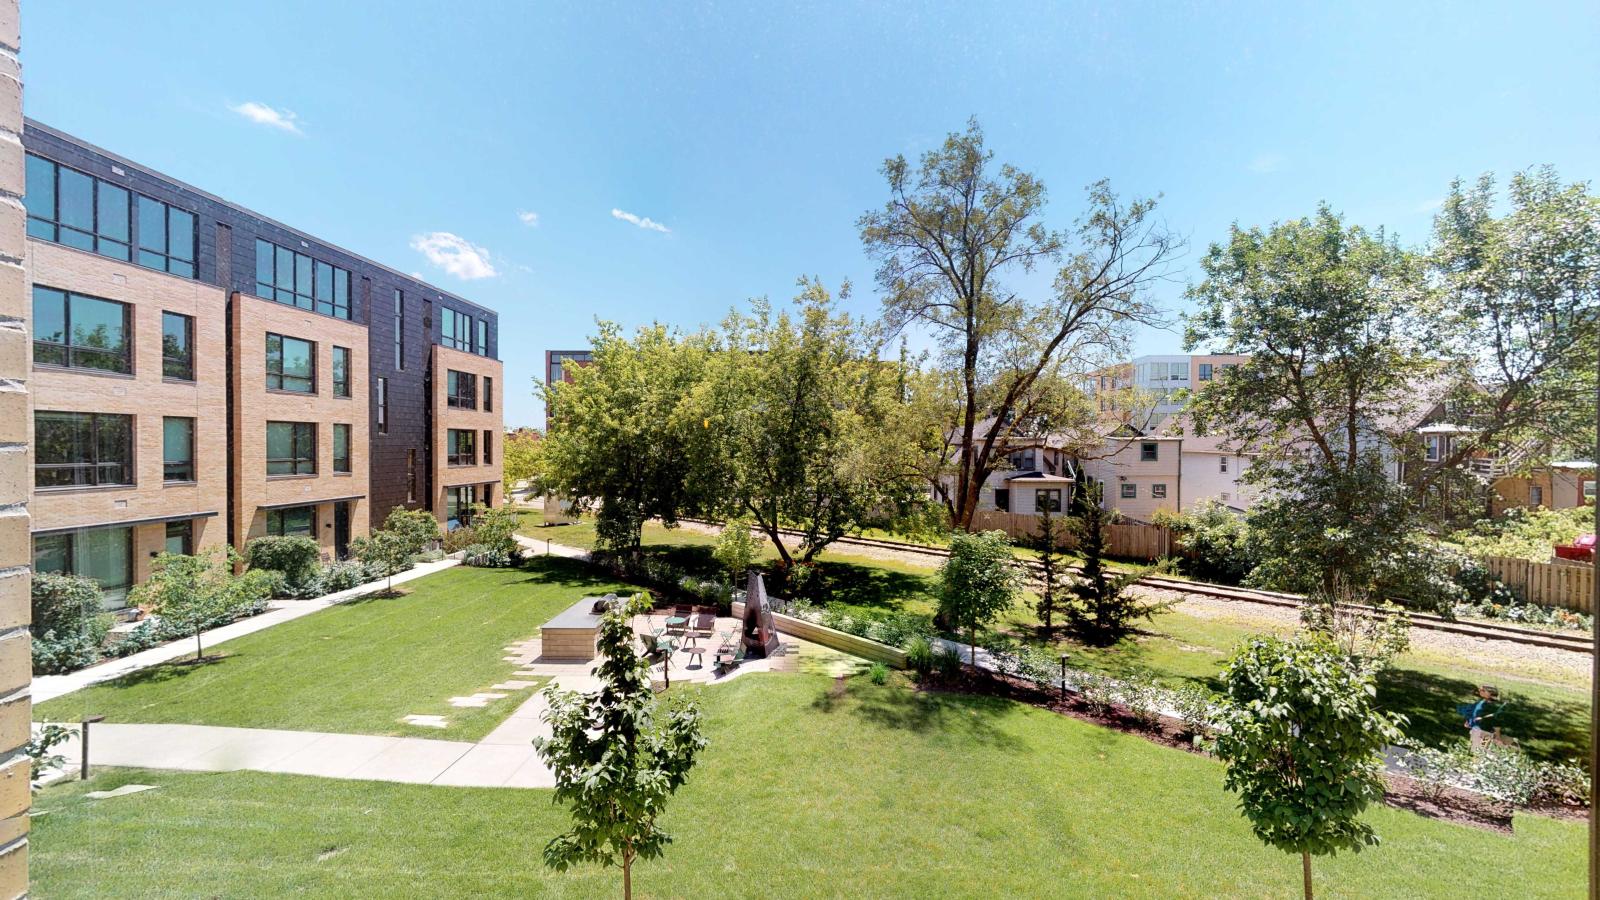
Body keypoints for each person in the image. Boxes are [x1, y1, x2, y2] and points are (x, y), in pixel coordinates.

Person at [1459, 685, 1502, 750]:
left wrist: (1498, 736)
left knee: (1481, 750)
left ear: (1490, 694)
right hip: (1476, 729)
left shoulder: (1493, 706)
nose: (1480, 691)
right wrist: (1469, 722)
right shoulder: (1482, 702)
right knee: (1474, 749)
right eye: (1480, 690)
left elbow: (1495, 718)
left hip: (1486, 732)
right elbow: (1475, 714)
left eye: (1483, 690)